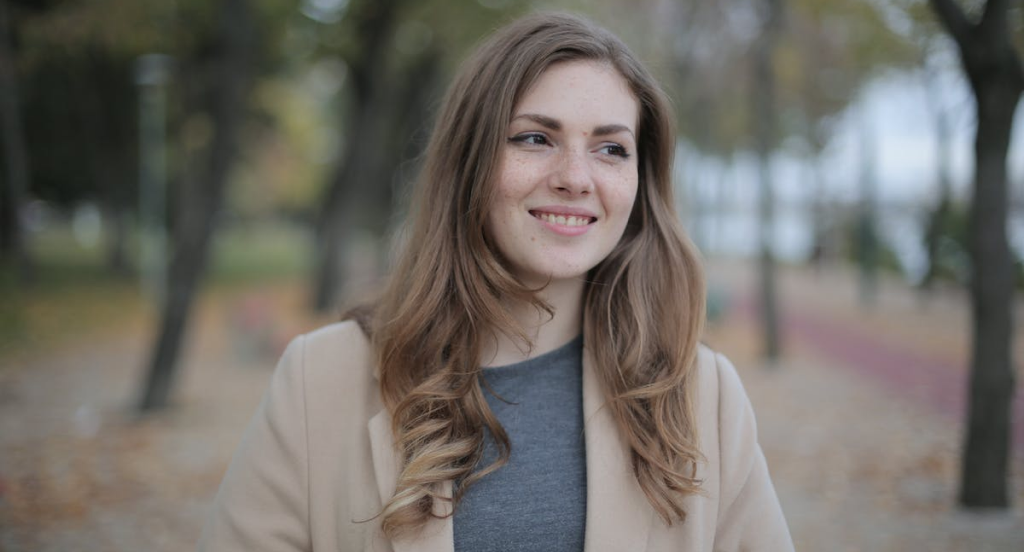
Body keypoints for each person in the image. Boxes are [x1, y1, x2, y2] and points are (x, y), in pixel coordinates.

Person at [198, 12, 793, 552]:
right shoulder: (318, 381)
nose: (576, 178)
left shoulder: (702, 396)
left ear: (641, 184)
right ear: (469, 162)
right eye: (535, 138)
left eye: (611, 148)